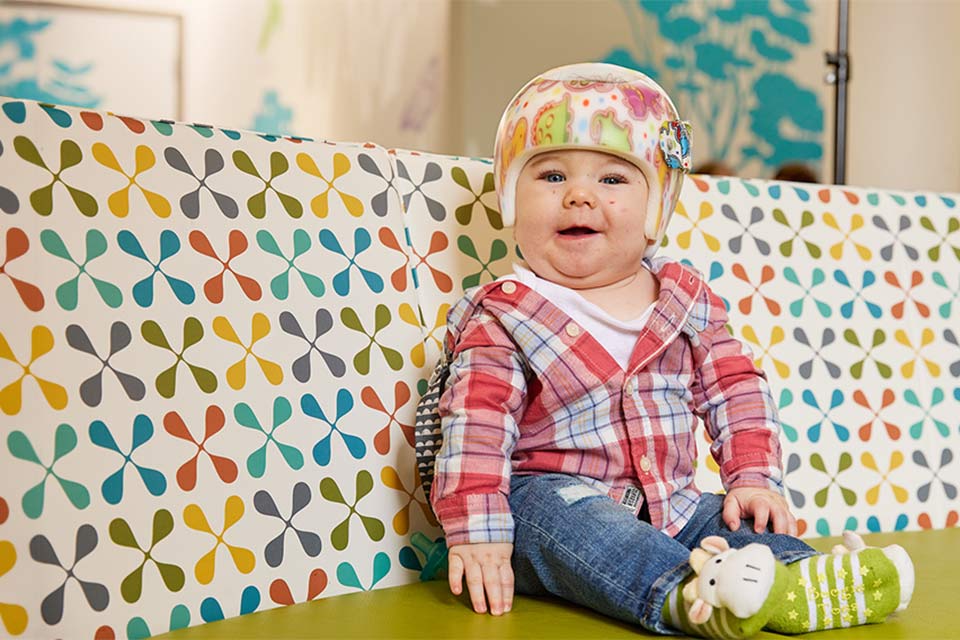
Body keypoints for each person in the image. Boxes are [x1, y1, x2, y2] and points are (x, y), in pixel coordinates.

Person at [418, 63, 913, 639]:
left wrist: (753, 477)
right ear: (510, 197)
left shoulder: (684, 298)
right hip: (546, 504)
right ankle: (687, 597)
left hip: (670, 505)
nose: (579, 195)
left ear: (656, 209)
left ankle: (804, 580)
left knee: (725, 519)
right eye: (551, 176)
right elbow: (474, 425)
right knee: (589, 527)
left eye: (613, 180)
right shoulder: (506, 313)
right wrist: (477, 531)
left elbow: (735, 387)